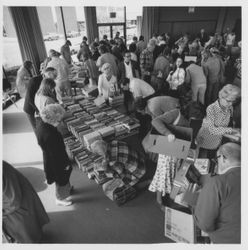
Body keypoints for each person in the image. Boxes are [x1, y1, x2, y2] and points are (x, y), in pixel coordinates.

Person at [193, 142, 241, 243]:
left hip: (227, 241)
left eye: (217, 159)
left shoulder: (217, 182)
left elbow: (205, 225)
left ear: (223, 158)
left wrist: (197, 202)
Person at [2, 161, 49, 243]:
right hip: (16, 198)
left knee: (26, 233)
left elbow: (12, 202)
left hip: (16, 205)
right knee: (30, 228)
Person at [36, 104, 73, 206]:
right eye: (59, 120)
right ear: (52, 119)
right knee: (61, 178)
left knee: (63, 178)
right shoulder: (50, 135)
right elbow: (56, 156)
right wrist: (65, 164)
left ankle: (66, 188)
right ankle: (60, 198)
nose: (60, 122)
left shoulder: (43, 124)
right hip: (57, 162)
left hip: (52, 157)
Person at [196, 84, 241, 158]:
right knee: (202, 159)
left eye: (233, 101)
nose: (230, 104)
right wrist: (232, 130)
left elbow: (221, 128)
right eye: (228, 101)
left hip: (217, 141)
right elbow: (212, 129)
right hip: (205, 140)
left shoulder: (229, 107)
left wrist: (232, 135)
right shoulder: (211, 109)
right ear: (221, 96)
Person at [23, 67, 57, 132]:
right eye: (53, 77)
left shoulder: (49, 80)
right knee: (37, 128)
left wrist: (56, 103)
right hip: (30, 107)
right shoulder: (33, 81)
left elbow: (53, 93)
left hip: (40, 104)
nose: (53, 79)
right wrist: (39, 110)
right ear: (46, 74)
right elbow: (30, 98)